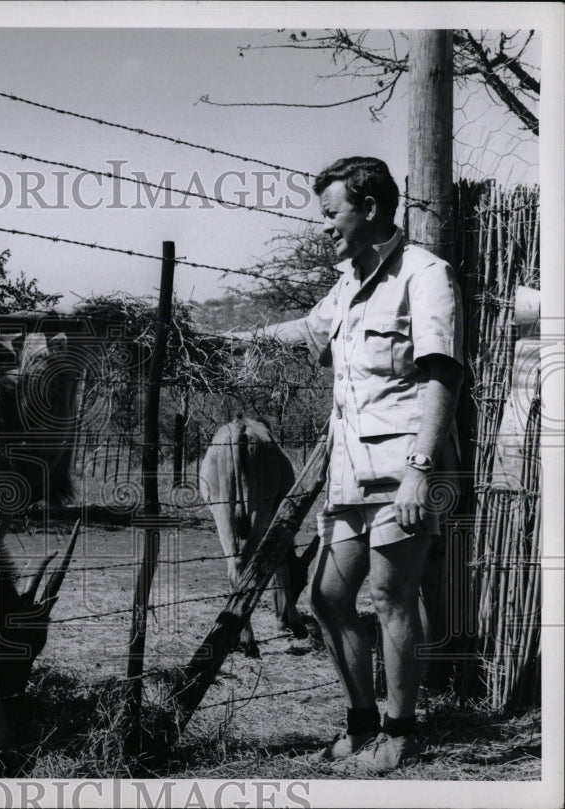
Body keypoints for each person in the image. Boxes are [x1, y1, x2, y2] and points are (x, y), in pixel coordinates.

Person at [225, 156, 463, 774]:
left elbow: (442, 375)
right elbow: (307, 330)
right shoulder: (348, 282)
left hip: (403, 468)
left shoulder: (425, 274)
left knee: (391, 596)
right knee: (328, 597)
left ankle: (399, 731)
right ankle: (361, 722)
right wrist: (230, 340)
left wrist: (420, 468)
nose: (324, 227)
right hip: (349, 472)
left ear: (371, 209)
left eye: (332, 214)